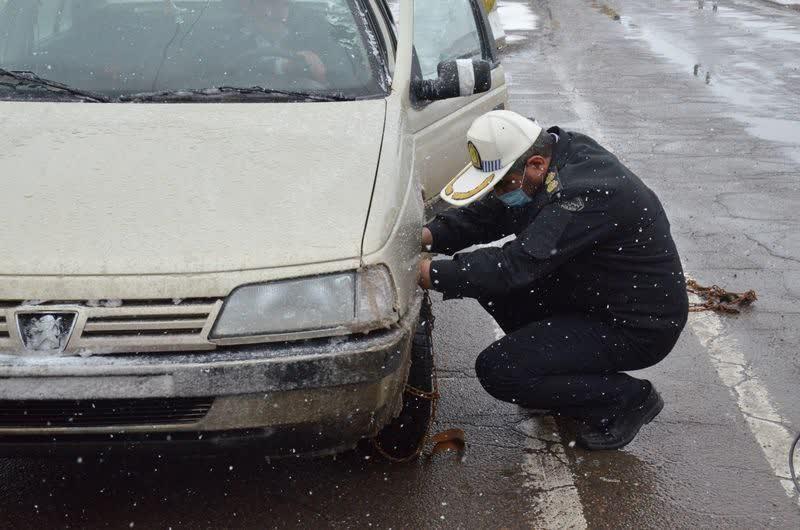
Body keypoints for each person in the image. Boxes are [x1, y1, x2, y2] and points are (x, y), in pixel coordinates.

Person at [418, 110, 689, 450]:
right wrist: (427, 235)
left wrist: (430, 274)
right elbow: (495, 213)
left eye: (502, 184)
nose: (500, 193)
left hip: (638, 326)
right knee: (493, 288)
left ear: (534, 164)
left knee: (499, 369)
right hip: (594, 297)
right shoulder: (555, 156)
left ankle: (626, 399)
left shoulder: (583, 193)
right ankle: (550, 374)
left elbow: (513, 266)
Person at [231, 0, 327, 84]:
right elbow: (227, 71)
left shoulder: (308, 33)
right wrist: (282, 65)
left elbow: (334, 67)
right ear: (247, 5)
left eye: (285, 4)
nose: (281, 12)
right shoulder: (227, 35)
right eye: (271, 2)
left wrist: (316, 67)